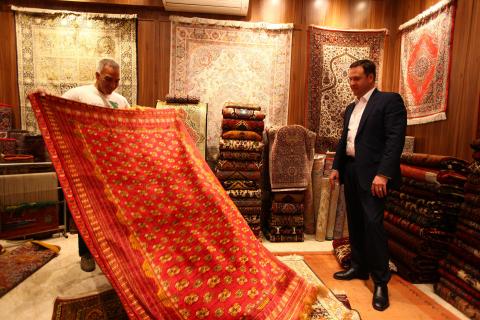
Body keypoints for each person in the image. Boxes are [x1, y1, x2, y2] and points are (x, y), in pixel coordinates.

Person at [329, 59, 407, 311]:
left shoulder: (389, 101)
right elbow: (346, 140)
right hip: (351, 171)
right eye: (350, 79)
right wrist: (336, 167)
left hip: (375, 176)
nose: (352, 83)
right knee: (356, 221)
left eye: (357, 78)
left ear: (371, 77)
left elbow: (395, 140)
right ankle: (359, 267)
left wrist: (384, 174)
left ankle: (381, 281)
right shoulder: (351, 109)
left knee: (373, 225)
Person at [62, 58, 130, 272]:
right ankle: (86, 254)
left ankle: (112, 253)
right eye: (109, 79)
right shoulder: (80, 94)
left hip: (113, 165)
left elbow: (129, 125)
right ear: (98, 75)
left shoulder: (121, 100)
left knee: (112, 212)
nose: (112, 85)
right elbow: (54, 106)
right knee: (87, 210)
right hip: (86, 165)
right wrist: (41, 95)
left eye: (117, 81)